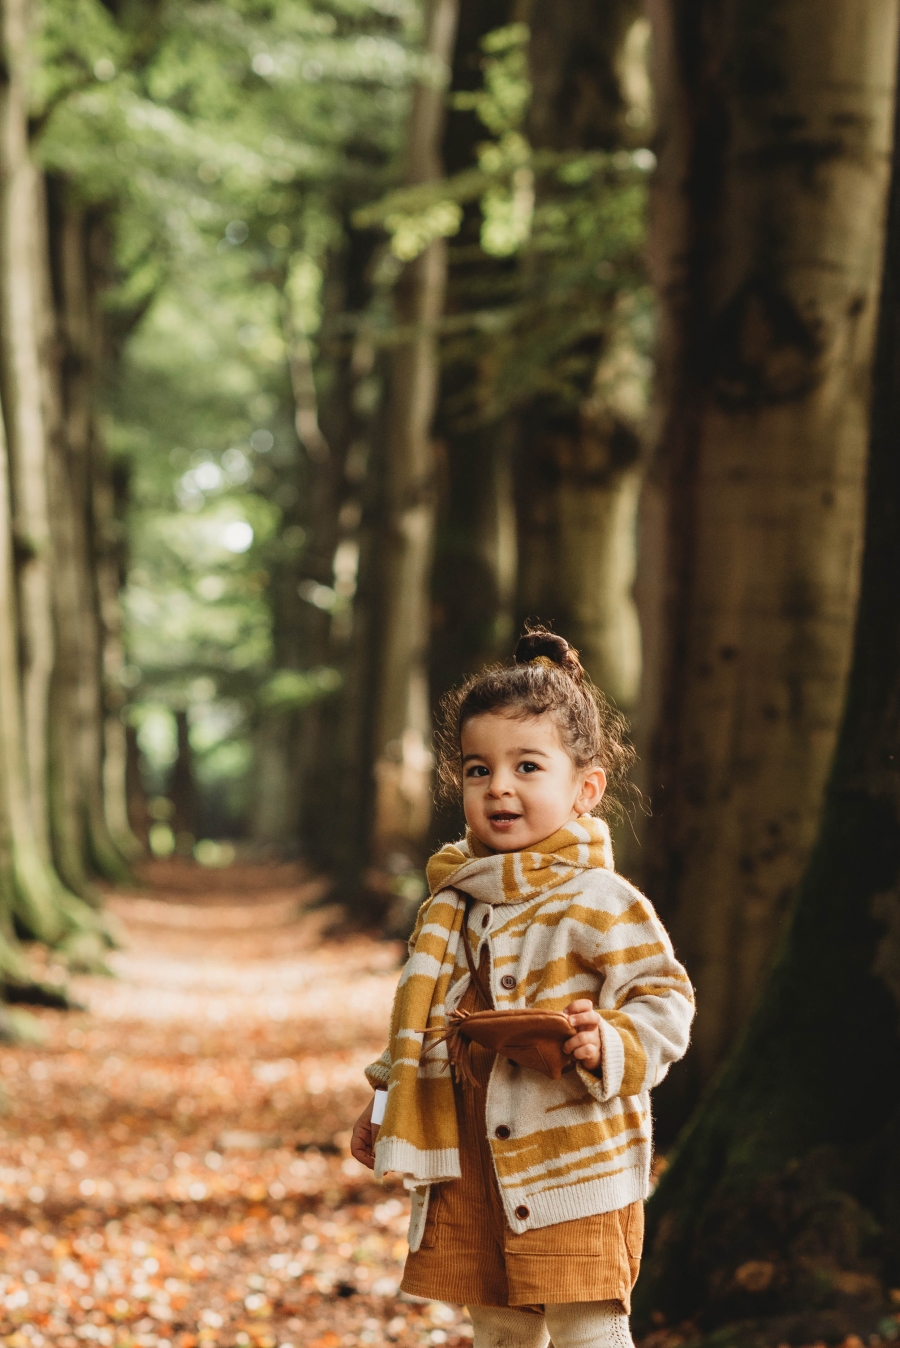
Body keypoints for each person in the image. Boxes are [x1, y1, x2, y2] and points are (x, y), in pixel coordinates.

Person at [351, 629, 694, 1348]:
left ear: (584, 789)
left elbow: (665, 999)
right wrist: (386, 1102)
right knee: (501, 1329)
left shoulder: (602, 900)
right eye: (479, 770)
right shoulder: (452, 902)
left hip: (573, 1158)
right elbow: (423, 1023)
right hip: (472, 1158)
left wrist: (611, 1039)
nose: (499, 787)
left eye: (527, 766)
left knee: (587, 1328)